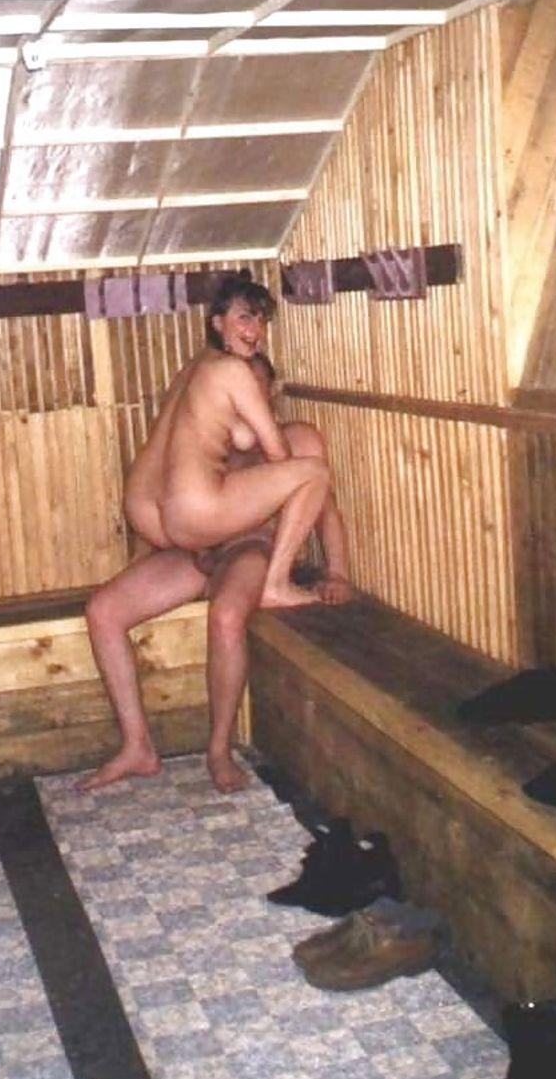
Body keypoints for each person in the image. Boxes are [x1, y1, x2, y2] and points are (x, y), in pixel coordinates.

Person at [80, 349, 352, 794]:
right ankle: (137, 746)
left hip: (249, 550)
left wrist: (337, 573)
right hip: (196, 552)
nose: (246, 397)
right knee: (103, 610)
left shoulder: (296, 438)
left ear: (271, 391)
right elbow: (166, 505)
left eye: (255, 385)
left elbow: (326, 510)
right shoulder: (209, 434)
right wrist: (144, 558)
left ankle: (219, 750)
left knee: (226, 616)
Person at [124, 272, 330, 611]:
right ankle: (275, 584)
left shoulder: (193, 370)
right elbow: (279, 454)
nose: (256, 330)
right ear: (218, 323)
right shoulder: (235, 371)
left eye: (261, 321)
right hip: (194, 511)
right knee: (315, 472)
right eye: (245, 318)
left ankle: (207, 564)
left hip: (149, 510)